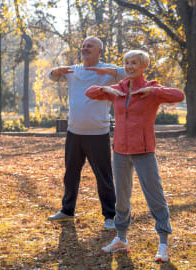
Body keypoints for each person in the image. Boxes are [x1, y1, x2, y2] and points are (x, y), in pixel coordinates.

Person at [85, 49, 185, 262]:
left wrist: (153, 92)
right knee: (121, 199)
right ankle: (121, 238)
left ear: (143, 66)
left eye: (134, 63)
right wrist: (106, 88)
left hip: (144, 151)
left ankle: (163, 243)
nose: (129, 66)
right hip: (120, 151)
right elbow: (90, 92)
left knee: (155, 197)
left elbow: (179, 95)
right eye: (127, 62)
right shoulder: (118, 89)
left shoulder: (152, 89)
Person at [47, 36, 126, 230]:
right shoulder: (74, 70)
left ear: (100, 51)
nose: (85, 48)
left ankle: (110, 216)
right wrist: (56, 71)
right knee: (71, 174)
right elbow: (52, 76)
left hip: (98, 133)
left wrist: (106, 71)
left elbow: (129, 73)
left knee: (104, 177)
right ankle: (67, 211)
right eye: (83, 46)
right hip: (74, 132)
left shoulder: (109, 71)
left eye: (90, 46)